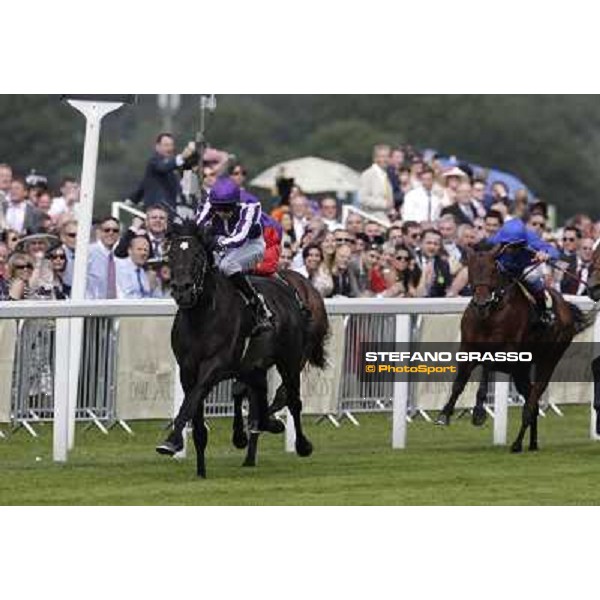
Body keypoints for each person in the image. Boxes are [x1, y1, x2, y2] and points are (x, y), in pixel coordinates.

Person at [196, 178, 273, 335]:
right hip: (224, 243)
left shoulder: (251, 205)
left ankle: (258, 305)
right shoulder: (209, 201)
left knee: (226, 266)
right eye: (219, 209)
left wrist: (216, 243)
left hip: (251, 245)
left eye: (228, 209)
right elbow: (198, 225)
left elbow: (240, 237)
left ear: (236, 203)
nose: (223, 213)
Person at [487, 218, 559, 325]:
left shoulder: (531, 239)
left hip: (525, 269)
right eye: (509, 246)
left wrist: (545, 254)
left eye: (516, 246)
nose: (512, 250)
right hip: (503, 269)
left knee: (533, 278)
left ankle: (544, 312)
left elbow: (554, 252)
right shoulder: (494, 240)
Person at [129, 133, 198, 211]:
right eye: (166, 145)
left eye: (171, 145)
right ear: (157, 147)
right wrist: (182, 156)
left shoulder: (175, 164)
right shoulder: (154, 161)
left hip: (174, 211)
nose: (169, 148)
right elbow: (164, 167)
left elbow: (143, 185)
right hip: (157, 211)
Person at [86, 216, 121, 299]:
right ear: (99, 232)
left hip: (116, 306)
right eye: (107, 230)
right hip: (92, 305)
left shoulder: (119, 256)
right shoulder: (89, 252)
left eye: (115, 230)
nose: (111, 233)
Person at [358, 144, 393, 223]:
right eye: (382, 156)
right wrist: (384, 204)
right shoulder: (368, 174)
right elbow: (362, 198)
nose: (385, 159)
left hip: (384, 219)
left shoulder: (385, 175)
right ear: (375, 158)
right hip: (373, 220)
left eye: (387, 156)